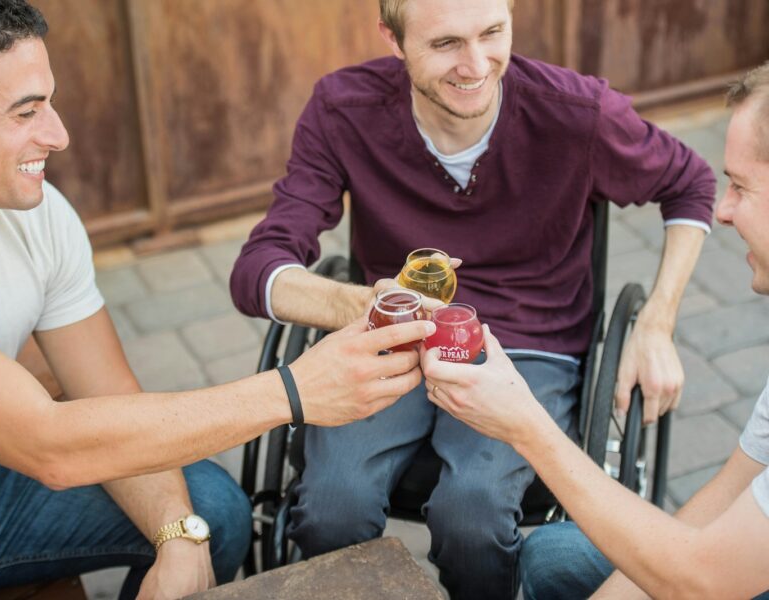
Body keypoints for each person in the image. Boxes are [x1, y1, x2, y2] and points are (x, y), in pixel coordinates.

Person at [229, 0, 717, 596]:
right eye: (445, 44)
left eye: (492, 33)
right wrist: (362, 306)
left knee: (473, 514)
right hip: (395, 337)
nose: (477, 64)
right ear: (393, 38)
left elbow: (690, 183)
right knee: (330, 506)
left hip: (532, 344)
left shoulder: (575, 112)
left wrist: (657, 324)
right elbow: (257, 269)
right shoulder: (343, 109)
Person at [0, 1, 434, 598]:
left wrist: (178, 533)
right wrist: (296, 390)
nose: (58, 135)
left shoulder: (39, 217)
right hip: (29, 461)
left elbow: (107, 394)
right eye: (25, 112)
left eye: (50, 103)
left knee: (212, 511)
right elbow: (52, 445)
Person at [421, 62, 769, 600]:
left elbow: (704, 580)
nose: (723, 210)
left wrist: (525, 425)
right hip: (726, 564)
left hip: (721, 578)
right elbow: (720, 506)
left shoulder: (572, 111)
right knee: (555, 554)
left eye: (741, 186)